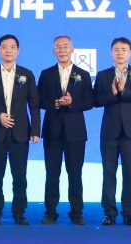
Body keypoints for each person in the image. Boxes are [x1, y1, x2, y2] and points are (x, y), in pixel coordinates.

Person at [0, 34, 40, 225]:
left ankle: (19, 213)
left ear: (18, 51)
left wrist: (35, 130)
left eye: (12, 47)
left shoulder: (26, 74)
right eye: (4, 47)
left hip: (20, 134)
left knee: (20, 176)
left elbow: (34, 104)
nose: (8, 50)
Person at [37, 35, 94, 225]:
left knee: (75, 173)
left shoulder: (83, 74)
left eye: (65, 46)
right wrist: (54, 103)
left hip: (75, 132)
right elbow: (38, 99)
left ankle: (76, 212)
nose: (62, 50)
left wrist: (72, 102)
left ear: (72, 50)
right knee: (52, 174)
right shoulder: (46, 74)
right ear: (53, 51)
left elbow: (90, 102)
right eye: (58, 47)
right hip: (52, 130)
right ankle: (50, 212)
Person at [93, 37, 131, 225]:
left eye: (124, 49)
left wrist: (125, 91)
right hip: (109, 131)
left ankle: (129, 213)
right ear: (111, 52)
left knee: (130, 173)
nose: (120, 53)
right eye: (116, 49)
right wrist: (113, 93)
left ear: (130, 52)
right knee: (108, 172)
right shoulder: (103, 75)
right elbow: (95, 101)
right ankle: (109, 213)